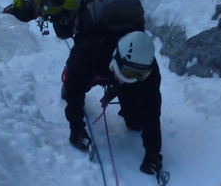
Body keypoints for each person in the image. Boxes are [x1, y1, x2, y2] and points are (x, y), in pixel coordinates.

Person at [62, 26, 162, 174]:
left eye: (137, 76)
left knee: (135, 122)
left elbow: (151, 108)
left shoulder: (148, 70)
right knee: (70, 91)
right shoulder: (89, 52)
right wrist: (76, 127)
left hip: (111, 71)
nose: (129, 79)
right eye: (127, 73)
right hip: (95, 67)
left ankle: (123, 86)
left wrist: (153, 151)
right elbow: (74, 87)